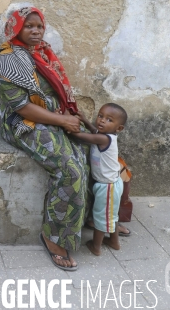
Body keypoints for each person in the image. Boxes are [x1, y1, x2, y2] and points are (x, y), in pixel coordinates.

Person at [0, 6, 89, 271]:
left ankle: (94, 221)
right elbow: (21, 106)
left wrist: (68, 114)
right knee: (70, 171)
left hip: (50, 116)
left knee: (83, 153)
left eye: (39, 26)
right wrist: (63, 121)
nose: (35, 31)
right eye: (28, 26)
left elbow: (57, 91)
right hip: (21, 122)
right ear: (15, 28)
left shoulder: (43, 53)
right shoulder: (8, 60)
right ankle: (53, 236)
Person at [72, 104, 128, 256]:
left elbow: (81, 137)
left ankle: (96, 247)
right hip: (110, 184)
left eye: (109, 120)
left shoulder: (104, 138)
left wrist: (66, 125)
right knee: (111, 216)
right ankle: (114, 242)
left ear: (119, 128)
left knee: (101, 218)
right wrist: (85, 120)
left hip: (107, 187)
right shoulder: (104, 135)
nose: (102, 121)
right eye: (100, 116)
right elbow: (94, 131)